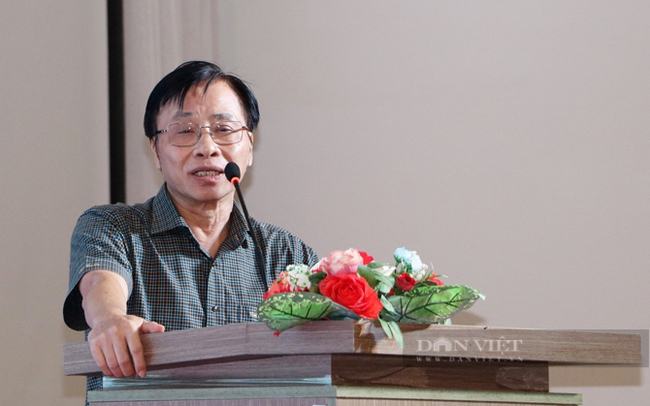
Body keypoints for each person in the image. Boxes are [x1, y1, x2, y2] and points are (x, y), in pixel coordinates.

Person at [63, 61, 319, 394]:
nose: (207, 147)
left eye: (224, 129)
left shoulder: (288, 254)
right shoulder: (114, 228)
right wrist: (110, 319)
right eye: (185, 131)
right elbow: (101, 283)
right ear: (156, 150)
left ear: (249, 146)